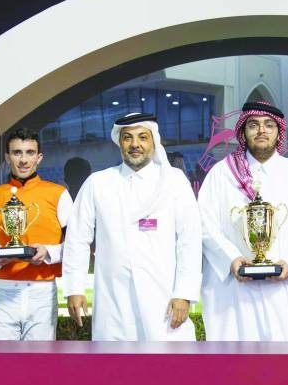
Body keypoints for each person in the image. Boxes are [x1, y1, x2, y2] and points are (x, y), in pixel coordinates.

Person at [198, 101, 288, 341]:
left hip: (287, 293)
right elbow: (205, 224)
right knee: (237, 359)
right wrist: (231, 259)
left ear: (279, 132)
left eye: (269, 125)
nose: (261, 130)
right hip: (234, 294)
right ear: (243, 131)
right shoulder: (221, 173)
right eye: (253, 125)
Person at [63, 113, 202, 340]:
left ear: (153, 141)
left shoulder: (174, 181)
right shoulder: (98, 183)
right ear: (119, 142)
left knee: (168, 358)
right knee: (115, 360)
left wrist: (184, 293)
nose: (135, 144)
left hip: (163, 297)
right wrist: (74, 288)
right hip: (113, 300)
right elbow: (77, 238)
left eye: (142, 137)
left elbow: (190, 241)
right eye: (127, 138)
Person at [0, 127, 73, 340]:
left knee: (38, 360)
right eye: (17, 153)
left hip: (42, 292)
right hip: (4, 291)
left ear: (39, 157)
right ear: (7, 157)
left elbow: (76, 245)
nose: (23, 160)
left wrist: (48, 252)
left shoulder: (58, 194)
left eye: (30, 153)